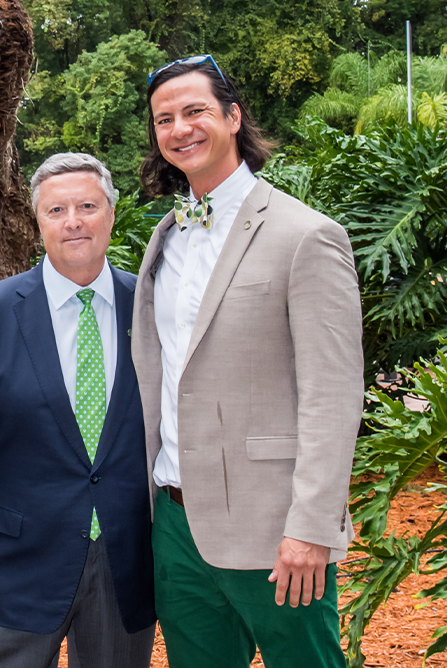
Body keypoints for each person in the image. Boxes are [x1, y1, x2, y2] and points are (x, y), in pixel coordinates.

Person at [132, 55, 364, 667]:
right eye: (164, 119)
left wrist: (311, 527)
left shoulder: (306, 236)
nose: (180, 128)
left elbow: (333, 394)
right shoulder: (165, 238)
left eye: (195, 111)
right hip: (174, 523)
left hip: (275, 527)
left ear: (233, 117)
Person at [0, 152, 156, 668]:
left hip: (125, 567)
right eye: (56, 211)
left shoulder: (149, 305)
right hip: (12, 573)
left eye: (87, 206)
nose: (73, 221)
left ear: (111, 214)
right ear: (38, 222)